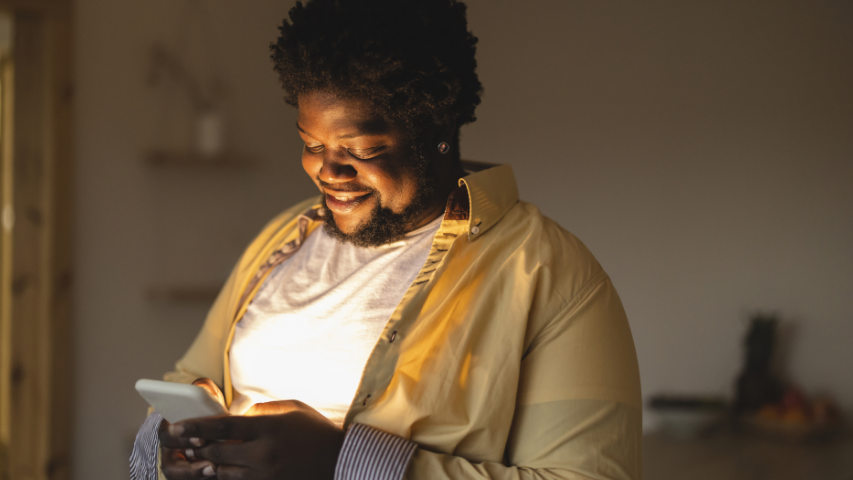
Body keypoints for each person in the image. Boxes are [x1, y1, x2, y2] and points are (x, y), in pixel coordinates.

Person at [130, 0, 642, 479]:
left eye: (362, 149)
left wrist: (338, 462)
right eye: (311, 144)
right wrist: (173, 443)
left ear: (436, 126)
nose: (327, 171)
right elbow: (189, 376)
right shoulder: (284, 238)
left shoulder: (553, 277)